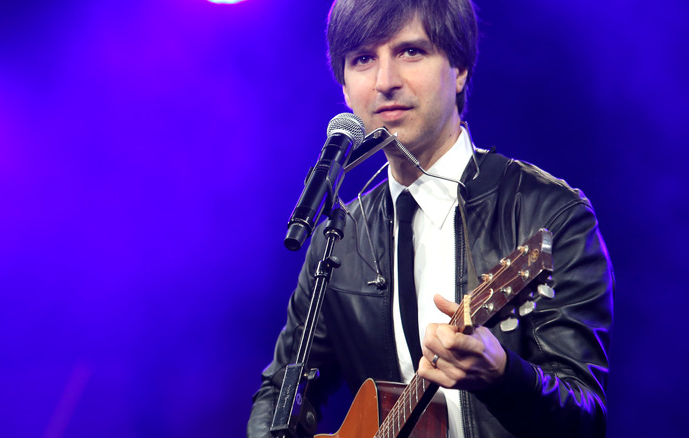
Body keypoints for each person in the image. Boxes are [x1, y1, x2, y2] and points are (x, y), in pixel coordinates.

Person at [248, 0, 614, 436]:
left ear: (458, 69)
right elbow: (279, 393)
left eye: (410, 52)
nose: (385, 81)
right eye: (363, 59)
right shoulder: (340, 238)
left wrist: (503, 376)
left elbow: (584, 416)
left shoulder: (547, 213)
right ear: (344, 88)